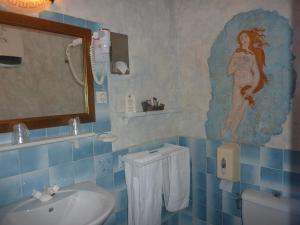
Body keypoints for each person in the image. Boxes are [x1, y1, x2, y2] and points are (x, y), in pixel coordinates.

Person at [221, 28, 269, 140]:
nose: (243, 39)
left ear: (250, 39)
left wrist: (253, 88)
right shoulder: (237, 53)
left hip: (249, 85)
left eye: (245, 37)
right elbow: (229, 71)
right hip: (238, 85)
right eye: (241, 38)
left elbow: (256, 72)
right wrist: (237, 64)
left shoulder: (252, 54)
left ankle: (233, 131)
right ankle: (225, 128)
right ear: (239, 40)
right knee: (235, 108)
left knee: (242, 110)